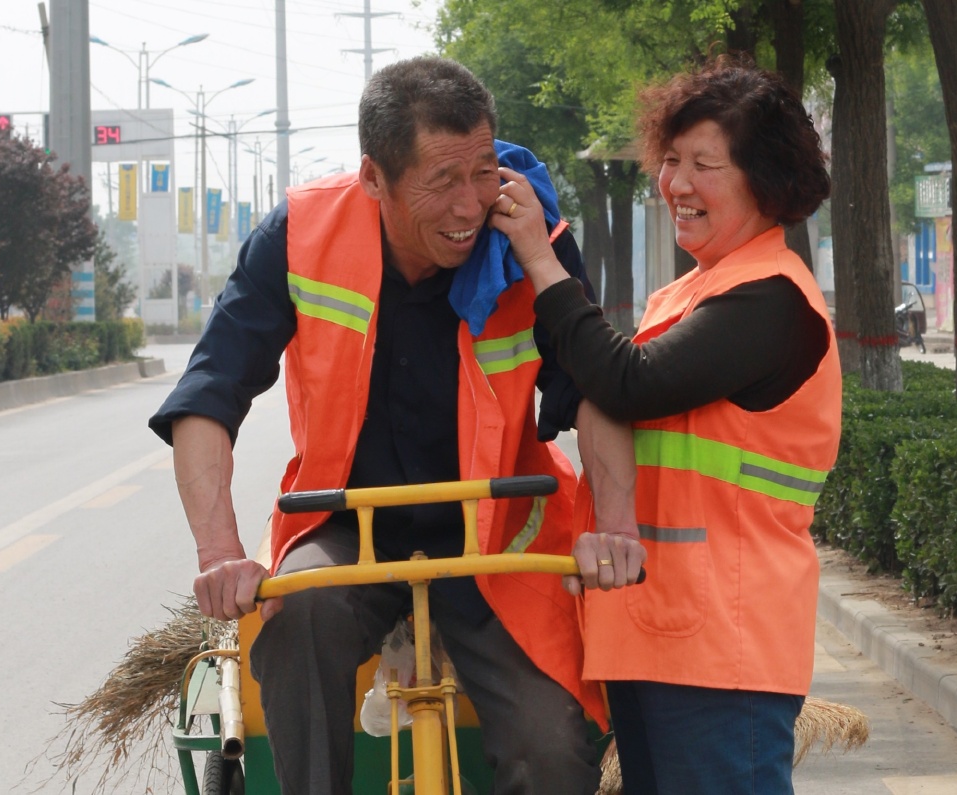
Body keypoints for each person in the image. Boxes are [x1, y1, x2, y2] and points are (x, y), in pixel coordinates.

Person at [149, 56, 623, 795]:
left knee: (554, 746)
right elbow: (207, 395)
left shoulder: (532, 230)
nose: (473, 206)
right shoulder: (299, 234)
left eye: (483, 171)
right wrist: (221, 553)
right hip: (345, 526)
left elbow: (596, 387)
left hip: (497, 531)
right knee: (299, 618)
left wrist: (614, 525)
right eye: (443, 181)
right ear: (374, 177)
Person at [491, 54, 841, 794]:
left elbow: (625, 380)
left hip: (723, 647)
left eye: (704, 164)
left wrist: (540, 256)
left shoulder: (773, 300)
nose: (677, 184)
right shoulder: (690, 293)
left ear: (765, 179)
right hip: (654, 631)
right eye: (671, 159)